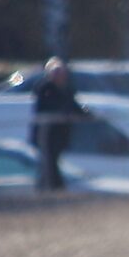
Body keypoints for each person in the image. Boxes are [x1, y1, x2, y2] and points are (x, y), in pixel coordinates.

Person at [32, 58, 82, 192]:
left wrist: (86, 114)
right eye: (57, 74)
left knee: (53, 160)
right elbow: (44, 108)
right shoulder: (45, 89)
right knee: (49, 160)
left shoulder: (67, 90)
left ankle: (53, 186)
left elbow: (74, 106)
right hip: (47, 134)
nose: (61, 78)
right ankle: (55, 187)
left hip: (61, 133)